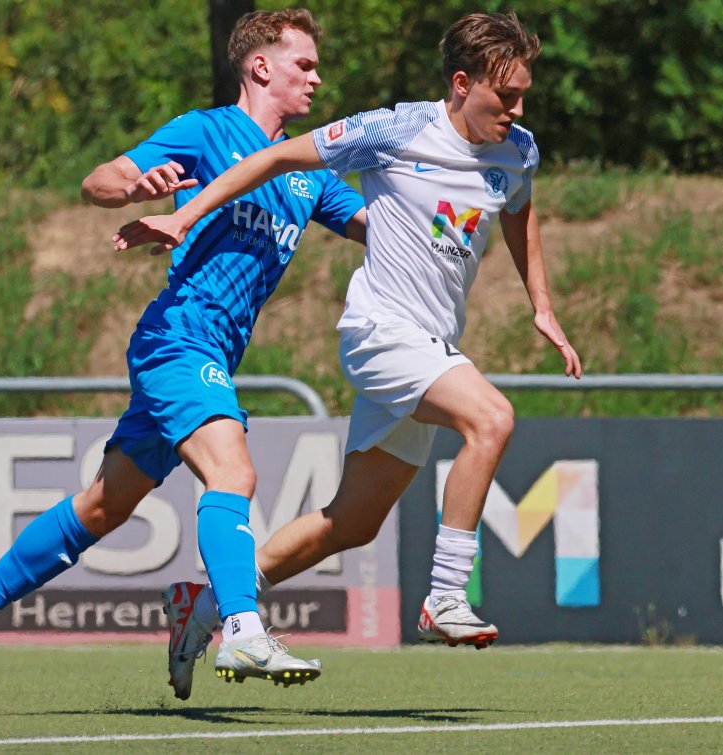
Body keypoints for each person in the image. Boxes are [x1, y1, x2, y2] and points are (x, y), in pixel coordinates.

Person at [114, 10, 581, 686]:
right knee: (492, 418)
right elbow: (274, 157)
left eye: (523, 94)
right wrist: (183, 216)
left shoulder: (518, 150)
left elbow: (521, 212)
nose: (517, 107)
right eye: (504, 94)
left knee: (351, 522)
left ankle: (205, 602)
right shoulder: (391, 130)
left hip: (430, 342)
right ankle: (447, 592)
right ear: (460, 83)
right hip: (380, 332)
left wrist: (542, 305)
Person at [0, 8, 367, 706]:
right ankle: (243, 625)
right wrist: (131, 187)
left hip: (214, 349)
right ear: (260, 67)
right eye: (303, 65)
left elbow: (377, 227)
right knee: (234, 469)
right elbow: (97, 180)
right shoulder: (206, 131)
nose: (317, 77)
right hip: (179, 337)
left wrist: (446, 207)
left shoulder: (307, 168)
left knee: (104, 507)